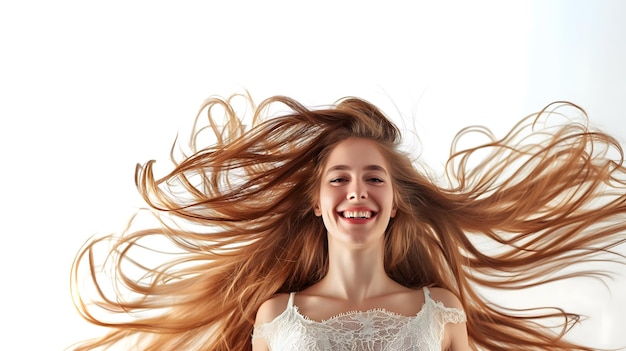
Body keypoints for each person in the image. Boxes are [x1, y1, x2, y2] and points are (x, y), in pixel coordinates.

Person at [70, 93, 626, 351]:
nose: (356, 190)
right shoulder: (277, 315)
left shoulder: (442, 308)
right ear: (315, 202)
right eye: (338, 178)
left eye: (374, 178)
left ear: (396, 200)